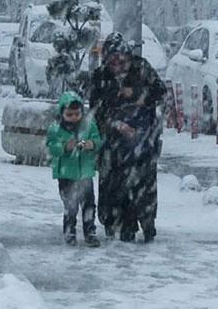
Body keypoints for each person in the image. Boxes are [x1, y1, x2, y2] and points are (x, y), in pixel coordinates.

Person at [87, 32, 167, 243]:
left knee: (143, 184)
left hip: (143, 139)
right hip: (113, 142)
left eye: (122, 59)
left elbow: (160, 92)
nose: (118, 64)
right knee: (113, 185)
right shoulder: (100, 77)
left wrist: (138, 95)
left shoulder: (141, 68)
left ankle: (146, 223)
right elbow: (95, 110)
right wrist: (116, 124)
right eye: (113, 61)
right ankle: (116, 225)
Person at [46, 91, 103, 247]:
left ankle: (90, 232)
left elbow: (98, 140)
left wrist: (92, 144)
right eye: (69, 114)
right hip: (66, 174)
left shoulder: (88, 126)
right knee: (70, 205)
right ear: (62, 113)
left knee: (89, 204)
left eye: (77, 114)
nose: (74, 118)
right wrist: (64, 147)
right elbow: (51, 147)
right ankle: (69, 231)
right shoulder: (56, 129)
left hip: (85, 172)